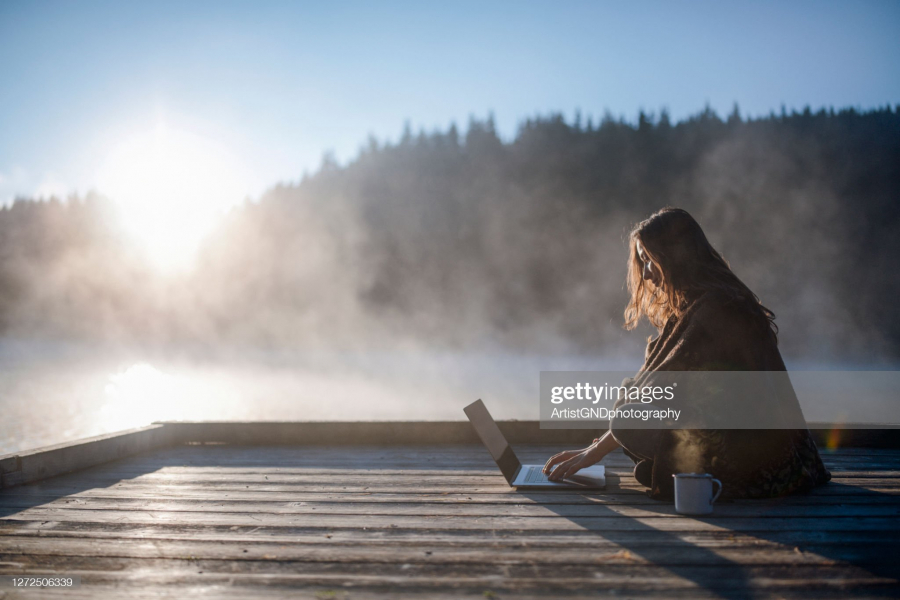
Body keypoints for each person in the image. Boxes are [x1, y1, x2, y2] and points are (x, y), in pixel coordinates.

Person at [542, 207, 831, 499]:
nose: (646, 274)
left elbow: (663, 391)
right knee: (628, 401)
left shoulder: (718, 309)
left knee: (627, 418)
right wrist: (594, 447)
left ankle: (703, 476)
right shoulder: (697, 305)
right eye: (642, 262)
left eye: (650, 260)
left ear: (675, 256)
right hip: (724, 433)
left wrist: (592, 453)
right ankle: (675, 471)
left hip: (754, 454)